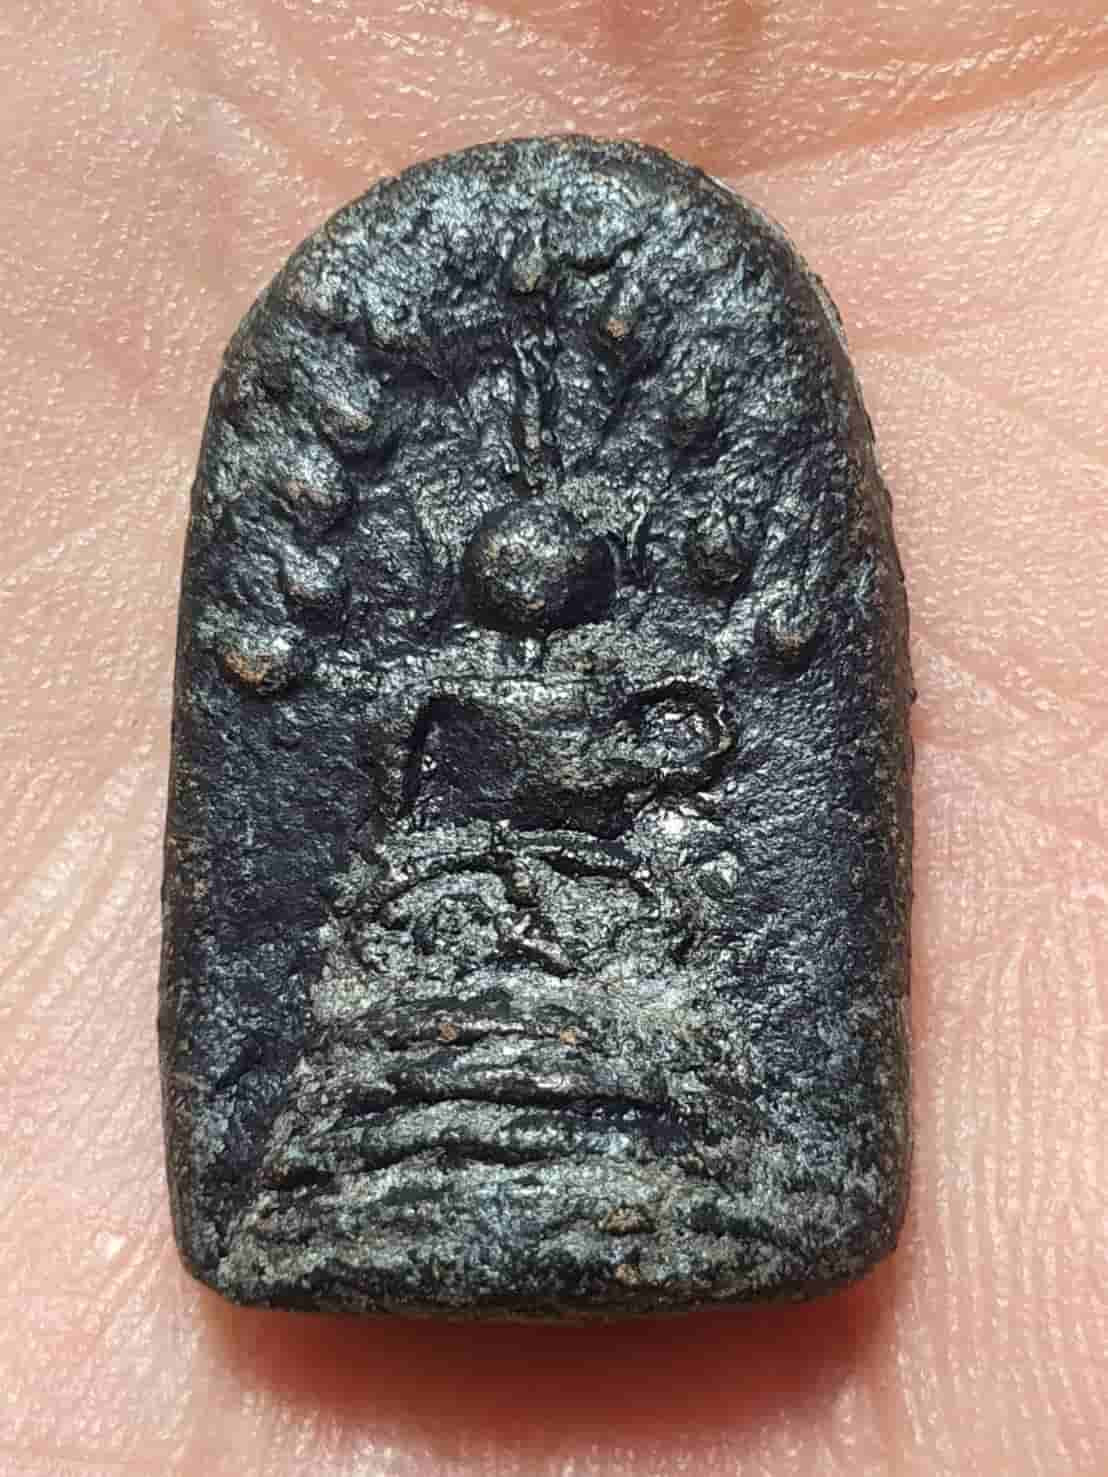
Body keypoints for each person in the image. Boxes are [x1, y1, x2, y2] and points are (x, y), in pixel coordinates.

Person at [2, 2, 1104, 1472]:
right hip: (454, 903)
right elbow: (399, 778)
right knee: (434, 984)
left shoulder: (598, 696)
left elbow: (657, 751)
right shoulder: (440, 689)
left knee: (644, 1006)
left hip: (600, 908)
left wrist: (633, 766)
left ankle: (686, 1155)